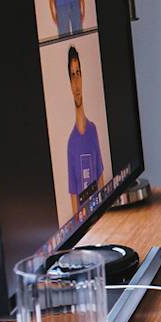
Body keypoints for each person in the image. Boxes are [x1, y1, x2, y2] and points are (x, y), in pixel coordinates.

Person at [66, 46, 104, 215]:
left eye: (78, 73)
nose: (76, 83)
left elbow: (101, 177)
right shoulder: (71, 143)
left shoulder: (93, 130)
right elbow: (74, 193)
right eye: (72, 75)